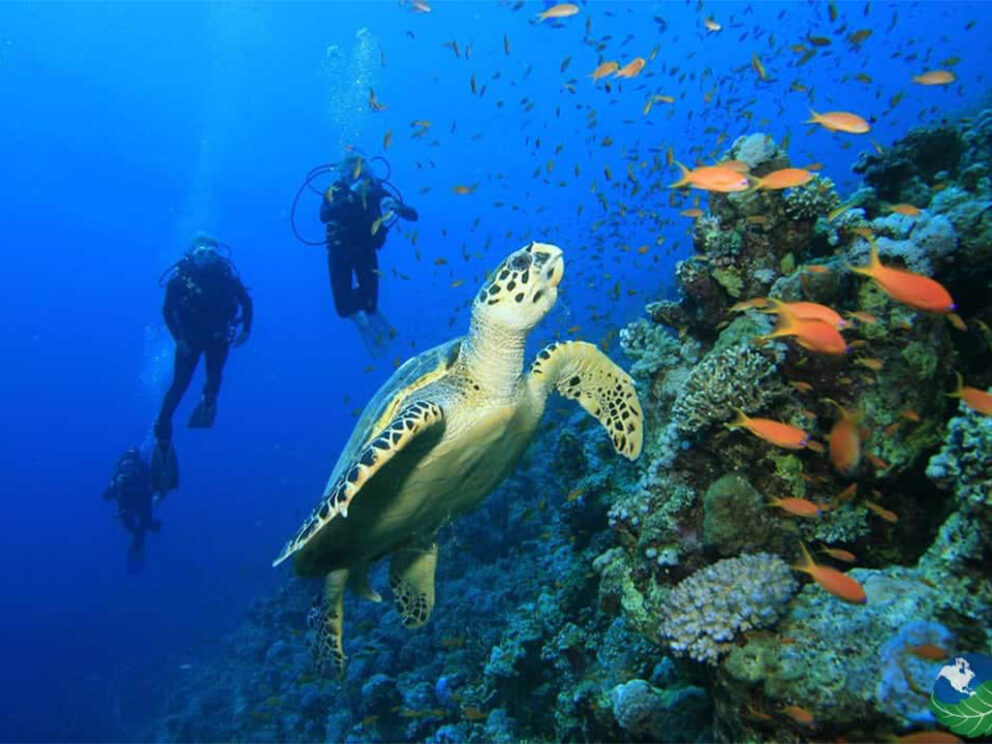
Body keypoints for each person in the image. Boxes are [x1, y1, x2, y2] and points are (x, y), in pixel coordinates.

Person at [151, 233, 253, 492]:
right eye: (200, 253)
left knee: (214, 378)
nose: (206, 257)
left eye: (210, 252)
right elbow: (167, 311)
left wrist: (246, 330)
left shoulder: (226, 274)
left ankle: (208, 402)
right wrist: (178, 339)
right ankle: (162, 435)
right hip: (190, 342)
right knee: (178, 387)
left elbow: (246, 301)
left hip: (218, 338)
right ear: (191, 255)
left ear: (217, 254)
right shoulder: (179, 280)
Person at [320, 154, 417, 355]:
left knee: (370, 305)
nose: (357, 179)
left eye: (361, 174)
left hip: (365, 249)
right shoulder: (335, 191)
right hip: (339, 250)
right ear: (343, 175)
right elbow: (324, 215)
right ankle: (359, 317)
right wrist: (351, 196)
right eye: (352, 174)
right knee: (343, 309)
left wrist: (396, 207)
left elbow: (413, 215)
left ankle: (367, 311)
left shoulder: (375, 190)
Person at [102, 448, 161, 573]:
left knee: (142, 523)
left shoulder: (141, 475)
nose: (128, 468)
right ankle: (140, 534)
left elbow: (154, 487)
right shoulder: (120, 478)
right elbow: (108, 494)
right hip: (131, 504)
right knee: (134, 525)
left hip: (139, 502)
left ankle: (141, 533)